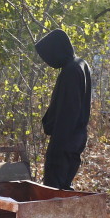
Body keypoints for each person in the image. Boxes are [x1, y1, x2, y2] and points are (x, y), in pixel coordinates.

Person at [35, 29, 92, 190]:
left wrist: (57, 146)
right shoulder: (81, 64)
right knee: (63, 188)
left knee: (54, 191)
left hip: (64, 141)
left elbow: (68, 112)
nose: (48, 61)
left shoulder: (71, 71)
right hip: (74, 138)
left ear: (57, 50)